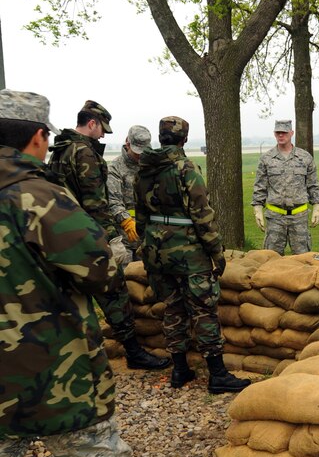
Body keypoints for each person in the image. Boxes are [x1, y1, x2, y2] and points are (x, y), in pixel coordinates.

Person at [0, 90, 165, 457]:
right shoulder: (35, 194)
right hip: (43, 354)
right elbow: (96, 266)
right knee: (88, 436)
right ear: (36, 136)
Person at [48, 100, 169, 371]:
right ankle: (134, 352)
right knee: (114, 292)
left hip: (63, 234)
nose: (103, 135)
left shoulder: (61, 149)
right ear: (92, 123)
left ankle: (70, 354)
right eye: (102, 129)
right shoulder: (84, 153)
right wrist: (113, 238)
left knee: (71, 297)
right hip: (88, 235)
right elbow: (96, 203)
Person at [134, 115, 251, 394]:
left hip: (157, 253)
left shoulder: (144, 169)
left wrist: (149, 244)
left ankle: (179, 370)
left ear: (160, 138)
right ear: (184, 139)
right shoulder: (185, 167)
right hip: (189, 255)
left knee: (172, 309)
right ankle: (218, 374)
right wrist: (216, 252)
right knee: (203, 310)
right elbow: (202, 214)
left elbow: (140, 216)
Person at [252, 119, 319, 255]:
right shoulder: (266, 159)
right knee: (271, 260)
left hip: (299, 217)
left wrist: (317, 206)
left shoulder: (304, 158)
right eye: (278, 132)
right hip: (275, 218)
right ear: (274, 134)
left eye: (284, 132)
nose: (281, 135)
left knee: (303, 259)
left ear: (291, 133)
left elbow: (313, 185)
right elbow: (260, 187)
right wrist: (257, 208)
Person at [107, 124, 152, 264]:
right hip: (125, 237)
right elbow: (113, 201)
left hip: (147, 238)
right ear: (128, 143)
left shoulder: (150, 166)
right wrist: (126, 221)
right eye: (137, 151)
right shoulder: (115, 168)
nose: (140, 155)